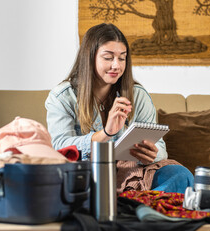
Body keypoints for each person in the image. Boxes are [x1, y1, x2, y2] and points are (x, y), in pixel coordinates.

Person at [45, 23, 193, 194]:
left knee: (180, 175)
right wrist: (106, 133)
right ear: (89, 57)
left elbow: (159, 146)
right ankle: (139, 207)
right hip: (87, 174)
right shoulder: (62, 96)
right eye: (108, 58)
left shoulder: (137, 94)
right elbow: (60, 148)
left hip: (132, 172)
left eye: (122, 58)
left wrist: (153, 154)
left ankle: (135, 206)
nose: (116, 65)